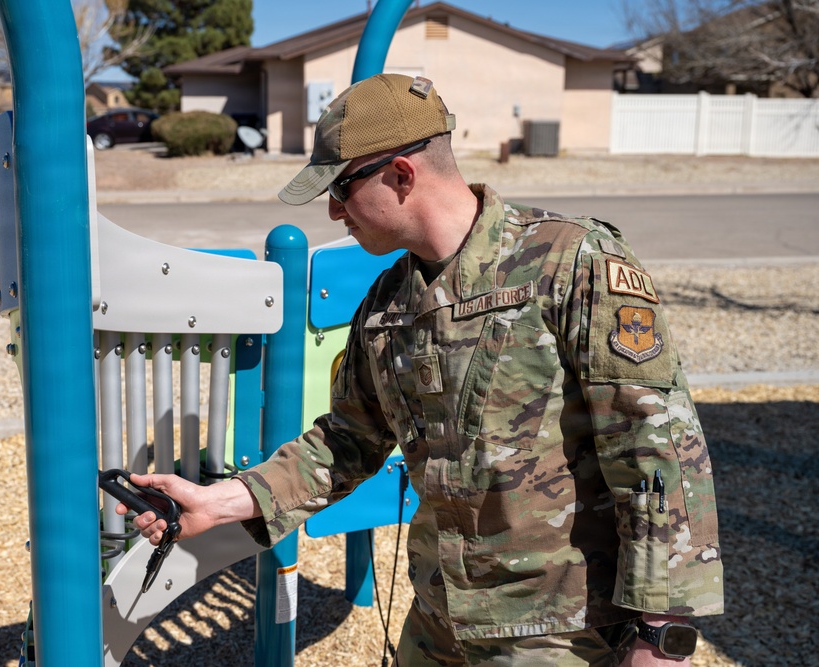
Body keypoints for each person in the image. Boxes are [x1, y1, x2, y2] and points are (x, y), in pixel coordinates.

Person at [119, 74, 724, 666]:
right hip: (439, 621)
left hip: (557, 632)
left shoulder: (570, 264)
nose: (334, 213)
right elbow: (347, 440)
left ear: (401, 175)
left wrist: (660, 635)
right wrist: (222, 502)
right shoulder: (386, 305)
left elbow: (657, 450)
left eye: (341, 189)